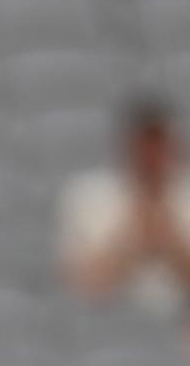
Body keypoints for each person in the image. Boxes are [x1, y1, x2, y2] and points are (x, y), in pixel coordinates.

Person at [59, 96, 190, 338]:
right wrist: (135, 236)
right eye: (145, 147)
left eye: (159, 147)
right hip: (106, 331)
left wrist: (168, 236)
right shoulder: (91, 197)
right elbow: (84, 284)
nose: (152, 158)